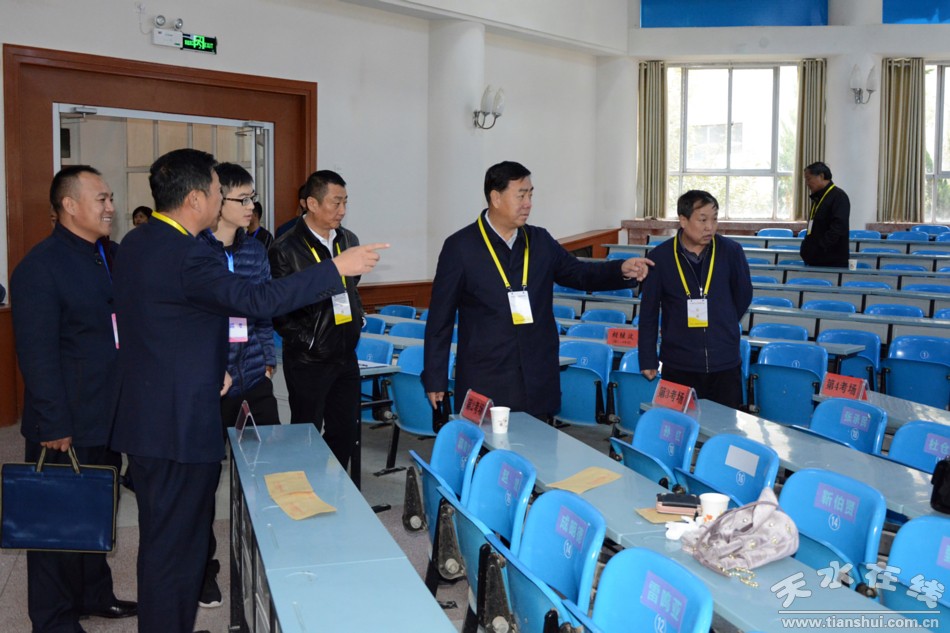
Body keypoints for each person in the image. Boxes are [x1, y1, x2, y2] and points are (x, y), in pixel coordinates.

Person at [110, 148, 387, 633]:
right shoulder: (189, 253)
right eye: (219, 192)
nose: (225, 201)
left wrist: (208, 364)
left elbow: (167, 323)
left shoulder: (139, 241)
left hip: (153, 409)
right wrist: (335, 269)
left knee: (165, 541)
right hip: (177, 422)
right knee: (177, 546)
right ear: (196, 199)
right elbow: (257, 299)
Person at [422, 161, 652, 418]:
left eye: (531, 195)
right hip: (486, 377)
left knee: (539, 441)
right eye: (521, 195)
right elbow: (439, 320)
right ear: (496, 198)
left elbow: (580, 273)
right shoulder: (461, 247)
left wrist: (620, 269)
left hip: (537, 378)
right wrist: (435, 378)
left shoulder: (539, 241)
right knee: (489, 444)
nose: (528, 203)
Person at [11, 165, 137, 632]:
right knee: (56, 525)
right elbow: (37, 354)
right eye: (101, 199)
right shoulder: (40, 267)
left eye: (110, 199)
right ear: (69, 205)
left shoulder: (109, 256)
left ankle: (94, 595)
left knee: (96, 510)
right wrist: (53, 423)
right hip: (65, 421)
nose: (111, 208)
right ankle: (54, 620)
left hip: (107, 413)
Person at [195, 163, 279, 609]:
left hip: (253, 377)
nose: (251, 207)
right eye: (242, 199)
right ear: (216, 199)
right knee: (204, 482)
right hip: (210, 384)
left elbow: (262, 308)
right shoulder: (194, 250)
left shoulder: (255, 250)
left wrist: (267, 359)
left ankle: (273, 554)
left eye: (253, 198)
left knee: (272, 468)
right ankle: (203, 570)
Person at [269, 170, 364, 470]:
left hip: (345, 354)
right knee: (306, 432)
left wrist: (357, 318)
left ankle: (332, 483)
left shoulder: (348, 240)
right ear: (312, 203)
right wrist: (308, 340)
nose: (342, 210)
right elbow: (279, 308)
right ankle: (306, 486)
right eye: (336, 202)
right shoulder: (285, 248)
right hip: (308, 359)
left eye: (345, 202)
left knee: (345, 430)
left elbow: (351, 287)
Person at [638, 190, 753, 409]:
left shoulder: (731, 252)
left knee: (725, 424)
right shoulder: (659, 258)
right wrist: (647, 357)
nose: (710, 227)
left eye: (714, 219)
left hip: (724, 361)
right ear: (683, 220)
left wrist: (722, 320)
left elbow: (743, 295)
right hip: (679, 362)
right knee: (679, 423)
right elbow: (649, 312)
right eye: (702, 220)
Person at [800, 161, 850, 268]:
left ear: (821, 176)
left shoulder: (839, 196)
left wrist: (818, 247)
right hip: (815, 259)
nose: (807, 183)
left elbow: (837, 228)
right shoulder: (818, 198)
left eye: (809, 179)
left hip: (831, 261)